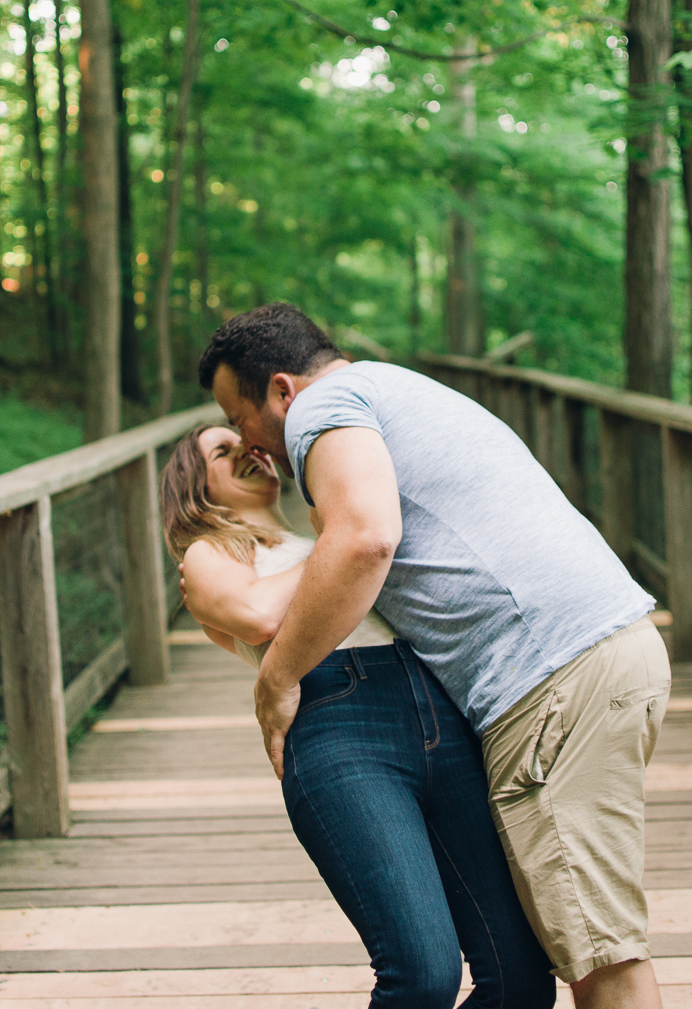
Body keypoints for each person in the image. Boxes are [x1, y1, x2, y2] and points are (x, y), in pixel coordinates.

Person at [197, 303, 670, 1009]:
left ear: (284, 391)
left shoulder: (326, 407)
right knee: (574, 952)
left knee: (603, 960)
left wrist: (279, 674)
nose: (251, 442)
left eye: (242, 418)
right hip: (595, 653)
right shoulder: (398, 389)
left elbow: (363, 538)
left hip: (551, 677)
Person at [161, 422, 555, 1009]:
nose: (249, 450)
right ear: (196, 487)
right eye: (223, 450)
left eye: (247, 441)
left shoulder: (318, 535)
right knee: (423, 977)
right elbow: (257, 612)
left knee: (520, 978)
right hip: (341, 728)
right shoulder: (210, 554)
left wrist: (339, 540)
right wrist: (342, 545)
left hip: (438, 707)